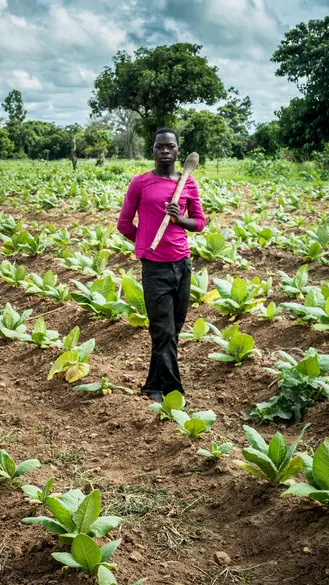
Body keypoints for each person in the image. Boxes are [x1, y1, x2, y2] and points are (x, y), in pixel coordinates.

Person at [116, 129, 206, 403]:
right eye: (159, 147)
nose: (165, 151)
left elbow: (199, 223)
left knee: (172, 330)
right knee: (163, 330)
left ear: (178, 151)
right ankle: (173, 392)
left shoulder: (188, 183)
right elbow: (124, 224)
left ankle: (153, 386)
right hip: (155, 267)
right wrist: (142, 243)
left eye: (170, 146)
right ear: (152, 151)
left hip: (182, 264)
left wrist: (180, 220)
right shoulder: (140, 183)